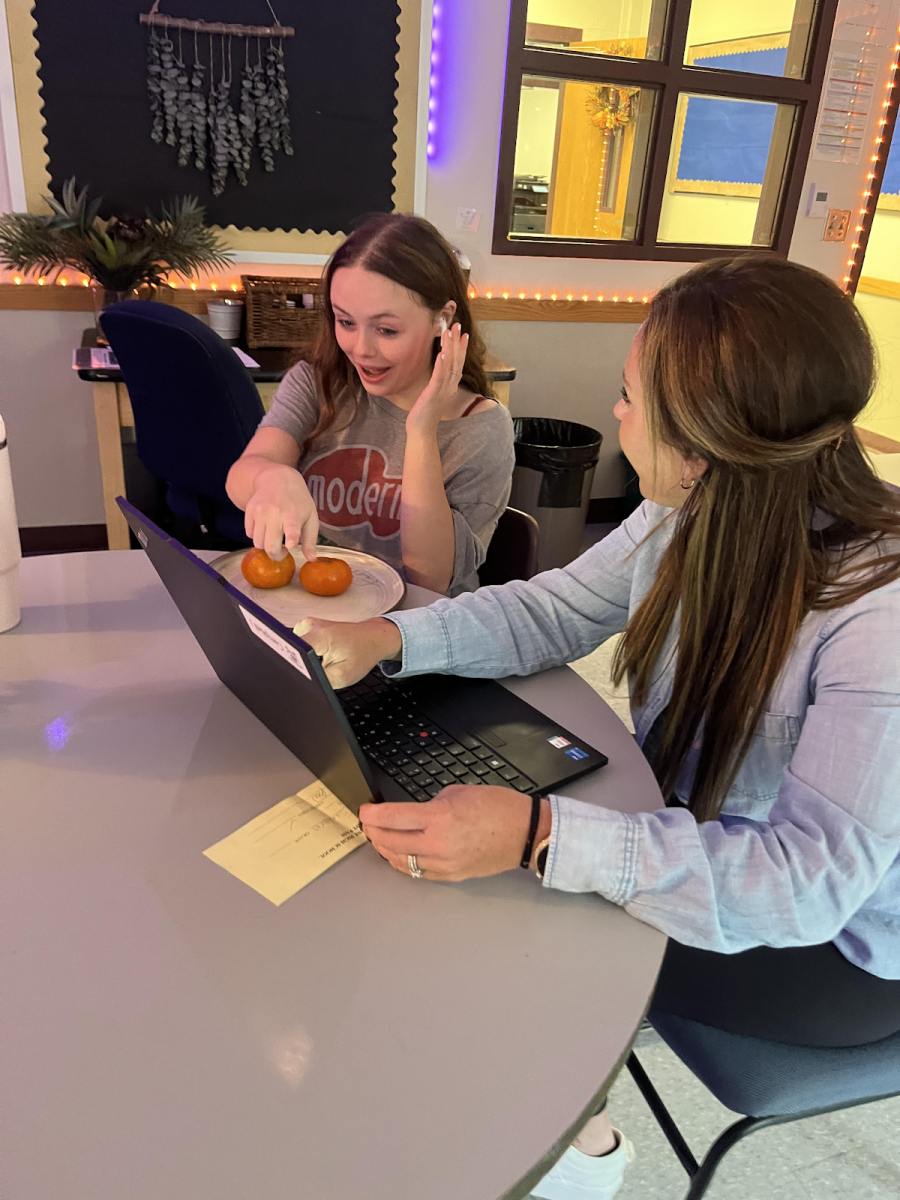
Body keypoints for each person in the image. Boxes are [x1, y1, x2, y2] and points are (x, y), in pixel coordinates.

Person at [295, 254, 900, 1199]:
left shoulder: (878, 614)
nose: (616, 416)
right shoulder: (688, 509)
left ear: (704, 441)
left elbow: (804, 886)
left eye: (628, 398)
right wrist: (387, 639)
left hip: (836, 954)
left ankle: (580, 1159)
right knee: (462, 906)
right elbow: (550, 612)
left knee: (496, 934)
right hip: (696, 842)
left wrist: (541, 836)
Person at [226, 214, 514, 596]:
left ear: (442, 320)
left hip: (413, 631)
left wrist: (422, 430)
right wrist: (270, 478)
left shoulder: (480, 429)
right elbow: (240, 477)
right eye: (345, 322)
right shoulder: (317, 383)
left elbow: (430, 580)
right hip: (312, 615)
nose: (361, 349)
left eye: (386, 330)